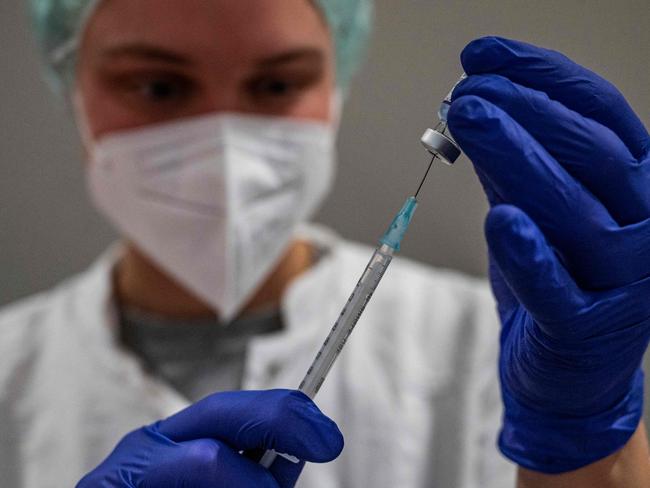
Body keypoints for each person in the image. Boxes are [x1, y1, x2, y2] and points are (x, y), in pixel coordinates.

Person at [1, 1, 648, 487]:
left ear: (334, 83)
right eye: (158, 86)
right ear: (72, 85)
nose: (225, 150)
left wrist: (580, 443)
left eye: (276, 85)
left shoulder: (491, 349)